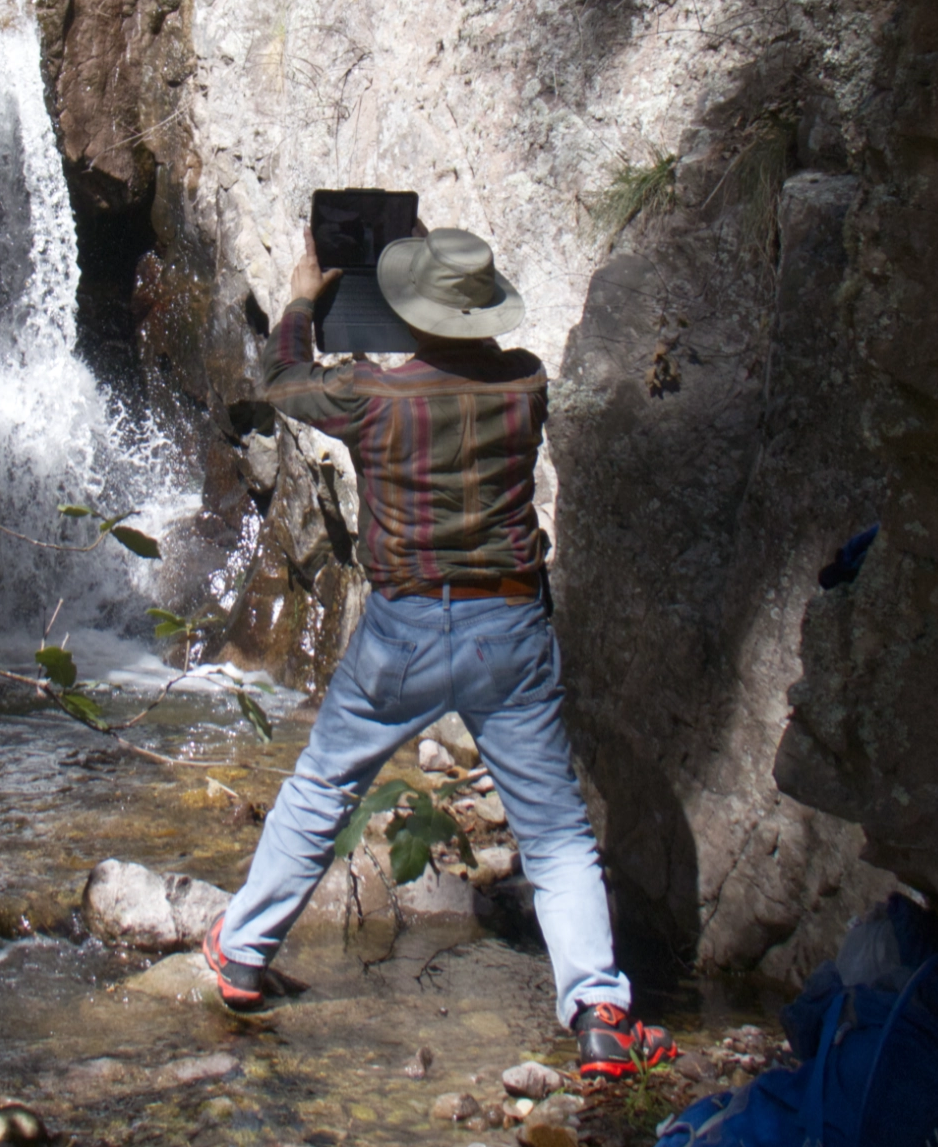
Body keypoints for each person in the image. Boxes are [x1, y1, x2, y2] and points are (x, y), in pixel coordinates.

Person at [202, 223, 677, 1080]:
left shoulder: (371, 399)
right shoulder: (525, 383)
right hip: (509, 631)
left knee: (323, 786)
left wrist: (304, 302)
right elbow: (467, 367)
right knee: (557, 829)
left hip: (403, 634)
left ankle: (242, 952)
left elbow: (280, 380)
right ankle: (601, 1013)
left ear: (406, 307)